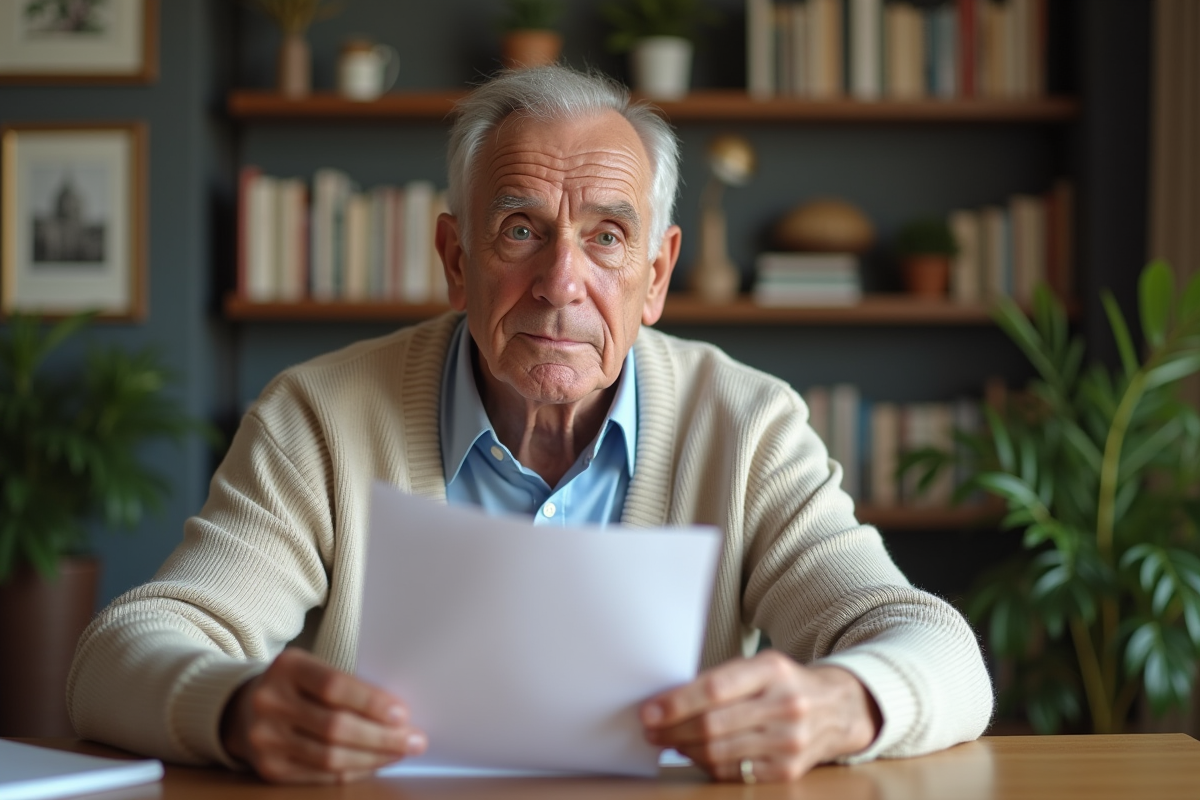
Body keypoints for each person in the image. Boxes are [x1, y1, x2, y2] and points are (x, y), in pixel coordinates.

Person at [67, 66, 992, 785]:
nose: (561, 282)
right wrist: (237, 708)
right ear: (455, 258)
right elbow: (117, 656)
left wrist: (839, 704)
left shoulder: (749, 426)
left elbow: (937, 648)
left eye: (607, 237)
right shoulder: (318, 417)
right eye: (520, 229)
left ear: (656, 277)